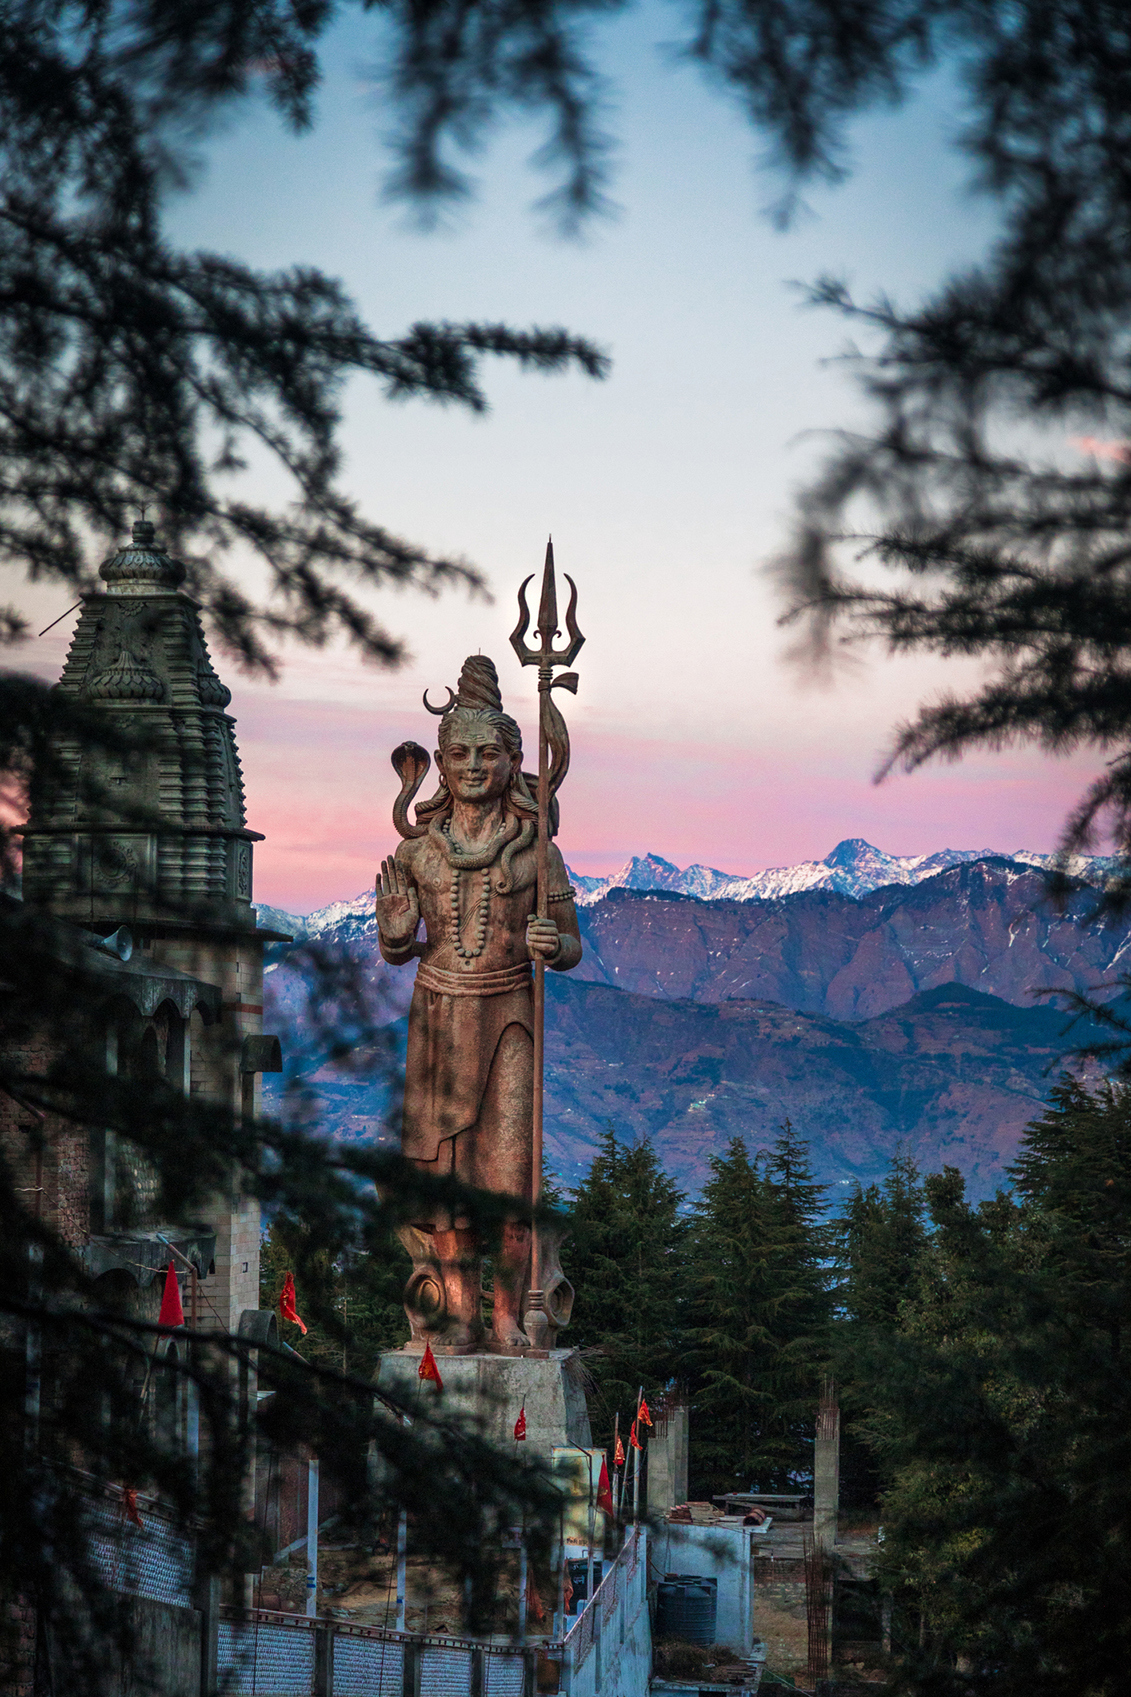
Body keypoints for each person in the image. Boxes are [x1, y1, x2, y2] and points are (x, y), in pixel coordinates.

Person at [376, 655, 581, 1351]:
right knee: (448, 1180)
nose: (472, 766)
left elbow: (572, 944)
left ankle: (508, 1315)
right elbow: (397, 948)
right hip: (438, 1016)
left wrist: (552, 942)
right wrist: (396, 934)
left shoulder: (537, 850)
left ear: (514, 761)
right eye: (459, 753)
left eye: (488, 753)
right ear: (439, 762)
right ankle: (458, 1315)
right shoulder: (417, 853)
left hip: (509, 1015)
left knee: (510, 1178)